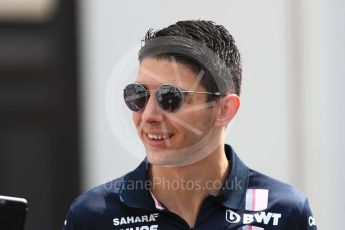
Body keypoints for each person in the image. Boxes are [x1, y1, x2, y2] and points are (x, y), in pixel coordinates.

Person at [63, 20, 317, 230]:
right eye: (138, 95)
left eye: (170, 98)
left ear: (224, 110)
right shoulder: (93, 216)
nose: (149, 115)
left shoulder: (285, 211)